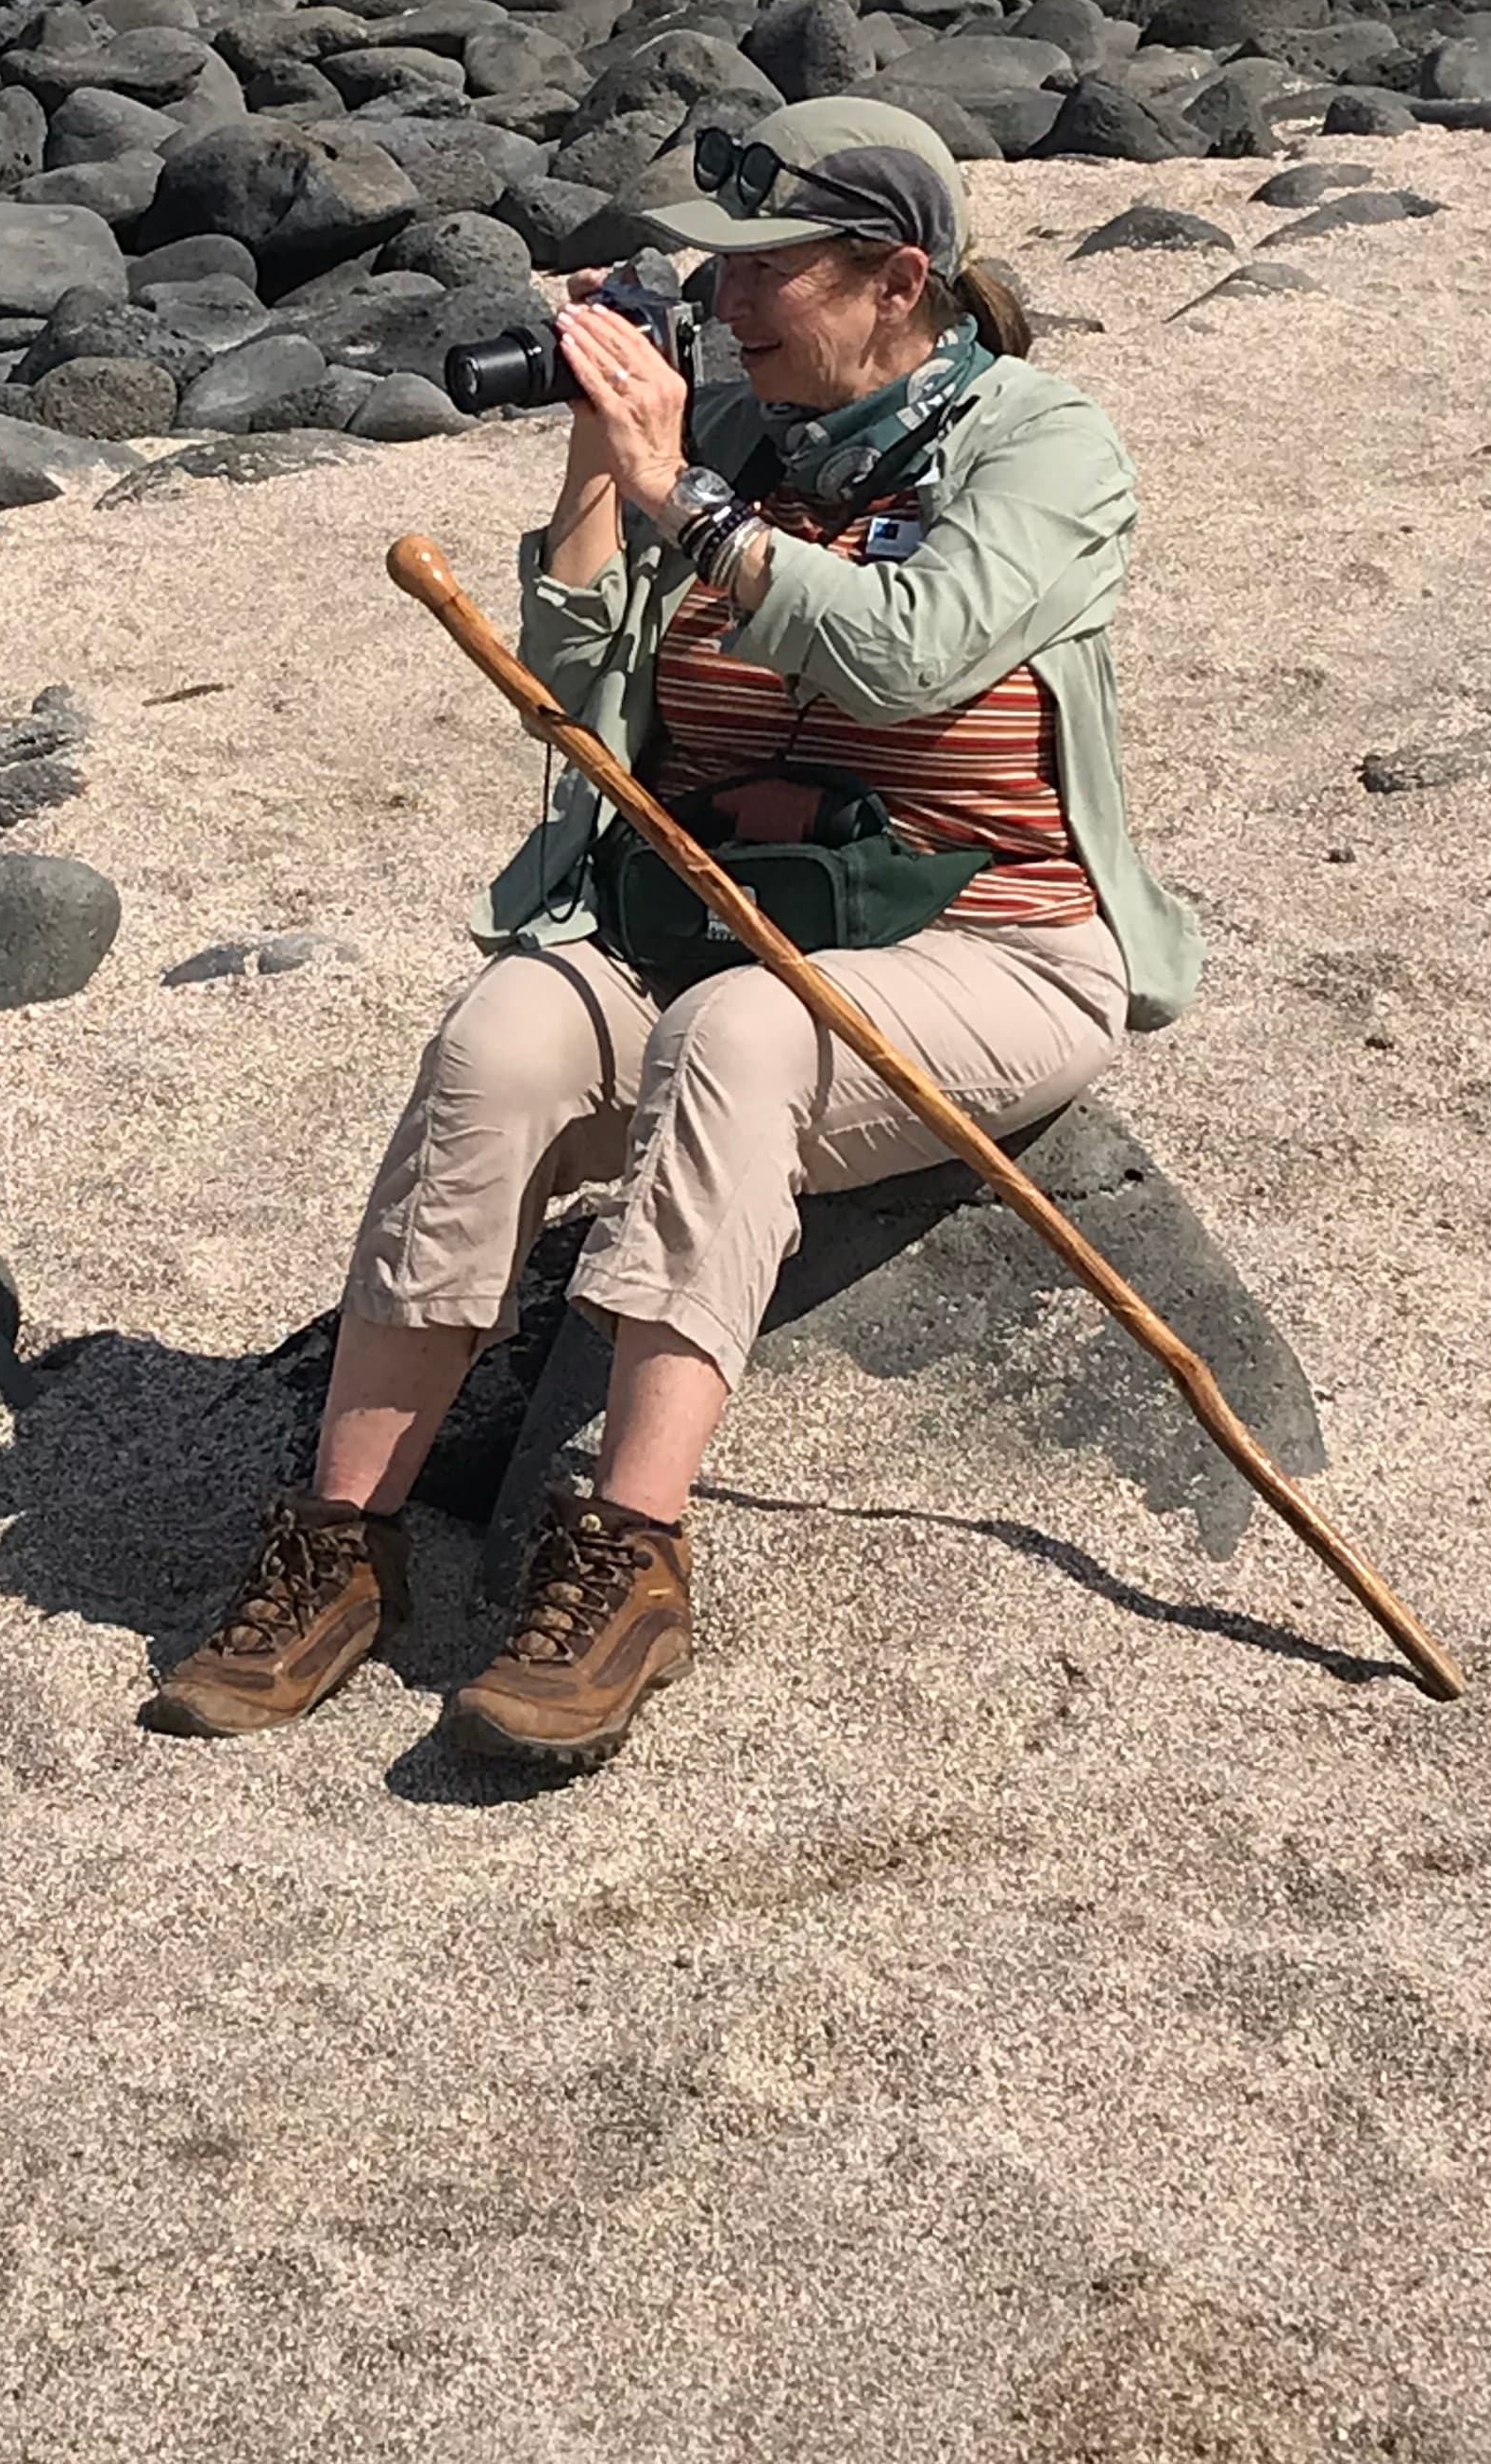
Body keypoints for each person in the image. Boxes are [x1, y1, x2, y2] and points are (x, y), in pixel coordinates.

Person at [147, 96, 1201, 1768]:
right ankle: (340, 1546)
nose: (728, 304)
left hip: (1000, 943)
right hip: (716, 922)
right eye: (715, 275)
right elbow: (569, 697)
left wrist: (684, 496)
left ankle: (627, 1557)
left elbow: (910, 654)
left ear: (897, 279)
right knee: (500, 1037)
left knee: (738, 1039)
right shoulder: (723, 433)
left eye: (768, 271)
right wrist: (598, 462)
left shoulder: (1042, 443)